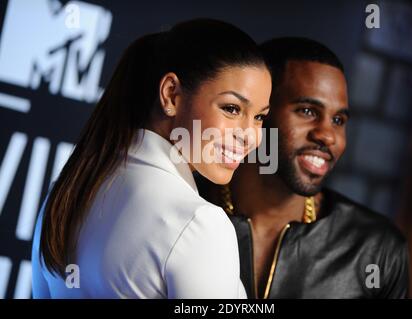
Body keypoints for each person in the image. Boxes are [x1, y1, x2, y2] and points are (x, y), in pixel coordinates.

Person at [31, 19, 272, 298]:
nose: (251, 136)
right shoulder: (199, 223)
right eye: (231, 109)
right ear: (171, 95)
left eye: (259, 117)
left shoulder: (65, 193)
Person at [198, 37, 409, 299]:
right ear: (257, 114)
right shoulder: (181, 211)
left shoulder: (376, 248)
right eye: (307, 111)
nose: (328, 136)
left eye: (338, 120)